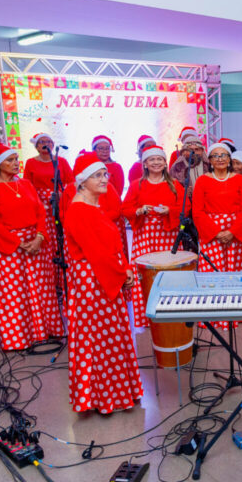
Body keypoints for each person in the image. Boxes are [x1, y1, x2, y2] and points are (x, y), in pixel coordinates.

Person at [64, 153, 143, 414]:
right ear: (82, 181)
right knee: (100, 340)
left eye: (104, 174)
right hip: (95, 280)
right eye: (97, 175)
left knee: (109, 338)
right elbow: (96, 252)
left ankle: (116, 394)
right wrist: (122, 273)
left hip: (104, 275)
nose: (104, 179)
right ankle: (104, 398)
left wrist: (122, 268)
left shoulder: (91, 206)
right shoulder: (77, 209)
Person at [0, 143, 64, 350]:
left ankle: (45, 331)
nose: (16, 163)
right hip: (10, 249)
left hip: (36, 244)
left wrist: (38, 238)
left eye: (17, 159)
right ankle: (18, 337)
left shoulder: (25, 184)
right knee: (15, 294)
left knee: (42, 291)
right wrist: (19, 244)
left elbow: (40, 212)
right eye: (10, 160)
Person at [122, 145, 188, 330]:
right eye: (152, 160)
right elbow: (125, 208)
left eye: (160, 159)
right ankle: (146, 315)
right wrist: (139, 210)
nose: (157, 162)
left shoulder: (174, 185)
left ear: (165, 163)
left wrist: (170, 211)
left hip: (168, 235)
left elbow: (186, 207)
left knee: (168, 272)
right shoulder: (137, 185)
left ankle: (170, 310)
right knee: (145, 274)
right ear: (145, 164)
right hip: (145, 235)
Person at [192, 143, 242, 329]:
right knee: (213, 275)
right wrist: (216, 232)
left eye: (224, 155)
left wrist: (232, 231)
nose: (220, 159)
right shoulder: (202, 180)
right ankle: (214, 315)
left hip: (236, 232)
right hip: (211, 233)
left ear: (229, 160)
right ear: (209, 160)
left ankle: (237, 314)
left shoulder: (239, 180)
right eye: (215, 156)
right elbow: (197, 211)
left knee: (236, 274)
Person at [22, 132, 75, 276]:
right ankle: (51, 275)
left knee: (62, 236)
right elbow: (27, 185)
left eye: (50, 141)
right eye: (43, 142)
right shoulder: (31, 163)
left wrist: (63, 194)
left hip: (61, 202)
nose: (47, 144)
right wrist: (38, 200)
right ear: (37, 147)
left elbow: (71, 182)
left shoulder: (61, 161)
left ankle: (66, 272)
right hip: (42, 205)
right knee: (48, 239)